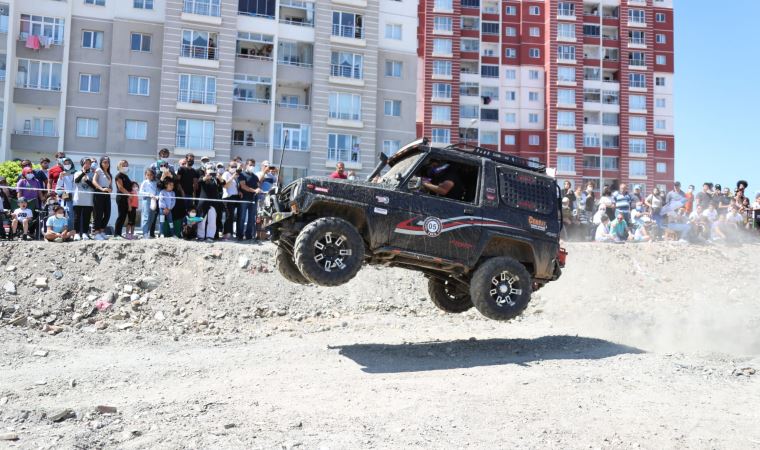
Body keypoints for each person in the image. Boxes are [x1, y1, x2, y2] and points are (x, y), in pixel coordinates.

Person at [197, 163, 223, 241]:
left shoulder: (216, 179)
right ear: (205, 170)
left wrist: (219, 177)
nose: (211, 170)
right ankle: (200, 236)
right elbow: (200, 181)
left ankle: (210, 236)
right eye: (209, 168)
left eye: (213, 168)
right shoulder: (203, 177)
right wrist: (206, 177)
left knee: (212, 220)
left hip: (213, 202)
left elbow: (224, 183)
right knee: (202, 220)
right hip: (204, 202)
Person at [72, 158, 95, 241]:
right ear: (82, 164)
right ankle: (76, 233)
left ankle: (85, 233)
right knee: (77, 217)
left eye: (89, 163)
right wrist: (83, 174)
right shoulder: (77, 173)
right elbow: (76, 181)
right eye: (86, 163)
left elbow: (94, 186)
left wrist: (87, 180)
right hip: (78, 199)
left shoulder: (93, 174)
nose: (88, 165)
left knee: (87, 217)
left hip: (88, 199)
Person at [238, 159, 260, 241]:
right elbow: (243, 186)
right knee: (242, 218)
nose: (252, 167)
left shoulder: (255, 176)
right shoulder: (242, 175)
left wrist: (258, 189)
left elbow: (258, 186)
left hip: (253, 199)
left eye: (253, 165)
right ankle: (240, 235)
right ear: (246, 165)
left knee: (251, 218)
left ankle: (248, 235)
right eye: (250, 165)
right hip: (244, 199)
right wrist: (254, 190)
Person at [91, 156, 113, 240]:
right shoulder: (98, 170)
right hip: (99, 192)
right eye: (104, 162)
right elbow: (94, 181)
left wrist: (110, 189)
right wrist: (101, 189)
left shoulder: (109, 173)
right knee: (98, 213)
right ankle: (96, 232)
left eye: (107, 162)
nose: (106, 164)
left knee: (107, 213)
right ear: (101, 163)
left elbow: (110, 185)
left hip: (107, 194)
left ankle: (101, 230)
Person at [113, 160, 133, 240]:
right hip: (121, 197)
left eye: (126, 165)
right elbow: (120, 188)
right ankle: (116, 234)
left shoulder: (126, 176)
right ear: (119, 166)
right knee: (121, 216)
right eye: (123, 165)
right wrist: (128, 194)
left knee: (124, 216)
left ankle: (119, 233)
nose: (125, 166)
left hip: (126, 198)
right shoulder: (119, 176)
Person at [221, 161, 241, 240]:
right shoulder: (226, 174)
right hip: (227, 197)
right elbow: (225, 185)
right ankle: (226, 233)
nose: (234, 168)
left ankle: (230, 233)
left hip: (234, 197)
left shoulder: (236, 176)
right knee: (228, 216)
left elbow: (235, 187)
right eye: (232, 166)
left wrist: (239, 192)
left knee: (232, 216)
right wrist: (233, 176)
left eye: (235, 166)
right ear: (228, 167)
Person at [55, 158, 76, 230]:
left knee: (77, 214)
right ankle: (68, 230)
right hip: (67, 196)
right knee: (69, 214)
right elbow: (58, 187)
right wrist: (63, 195)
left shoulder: (76, 172)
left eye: (68, 163)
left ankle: (77, 231)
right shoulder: (62, 174)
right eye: (65, 164)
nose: (67, 165)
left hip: (77, 196)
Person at [140, 168, 159, 239]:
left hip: (154, 200)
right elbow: (141, 192)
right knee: (146, 217)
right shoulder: (144, 182)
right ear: (145, 175)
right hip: (146, 200)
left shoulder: (155, 183)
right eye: (148, 175)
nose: (150, 176)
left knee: (152, 217)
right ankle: (144, 233)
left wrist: (156, 196)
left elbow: (157, 191)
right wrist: (148, 194)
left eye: (151, 175)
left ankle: (147, 232)